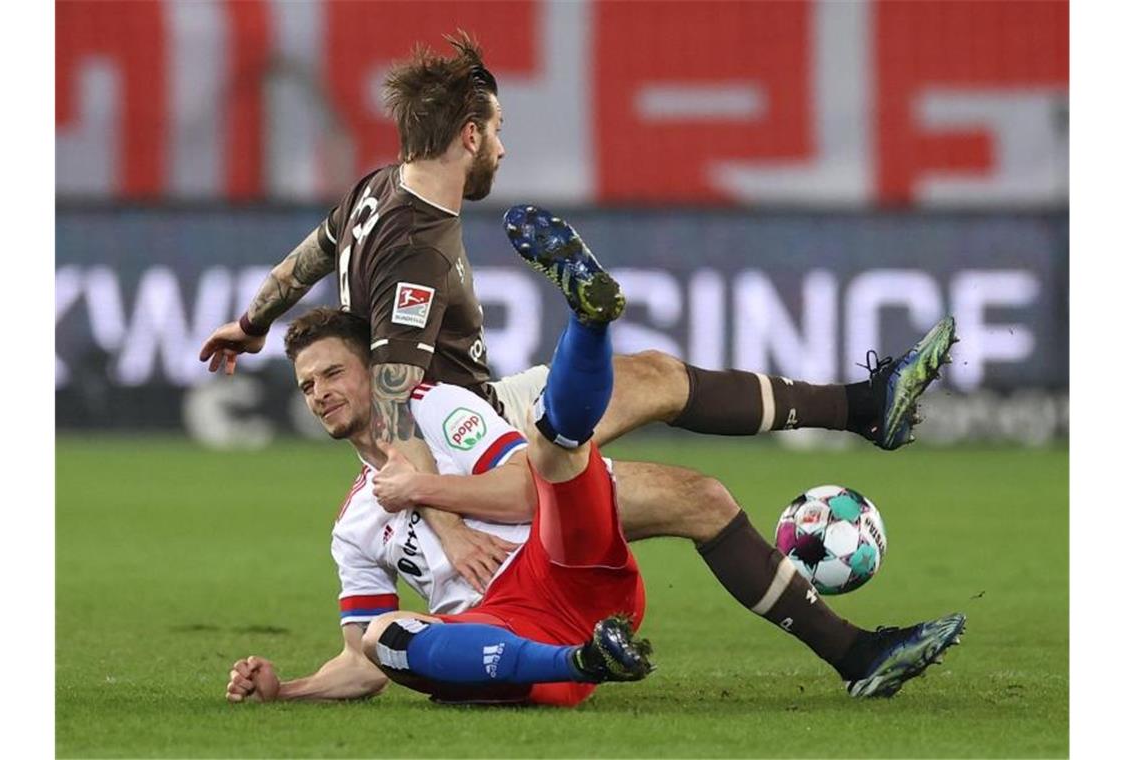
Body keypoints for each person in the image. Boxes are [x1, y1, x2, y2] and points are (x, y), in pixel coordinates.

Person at [202, 33, 958, 669]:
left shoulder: (375, 190)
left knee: (656, 376)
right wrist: (449, 524)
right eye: (495, 131)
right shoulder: (418, 253)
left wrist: (254, 321)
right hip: (468, 446)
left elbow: (302, 260)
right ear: (468, 135)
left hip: (481, 408)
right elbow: (393, 403)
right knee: (702, 501)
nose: (501, 146)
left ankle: (867, 408)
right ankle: (857, 655)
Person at [226, 301, 963, 706]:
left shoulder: (441, 409)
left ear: (374, 372)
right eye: (308, 385)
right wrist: (286, 690)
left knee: (573, 455)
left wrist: (426, 493)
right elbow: (364, 663)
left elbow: (523, 492)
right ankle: (583, 662)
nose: (320, 393)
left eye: (333, 374)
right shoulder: (354, 523)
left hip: (562, 562)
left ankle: (588, 314)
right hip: (503, 634)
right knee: (385, 632)